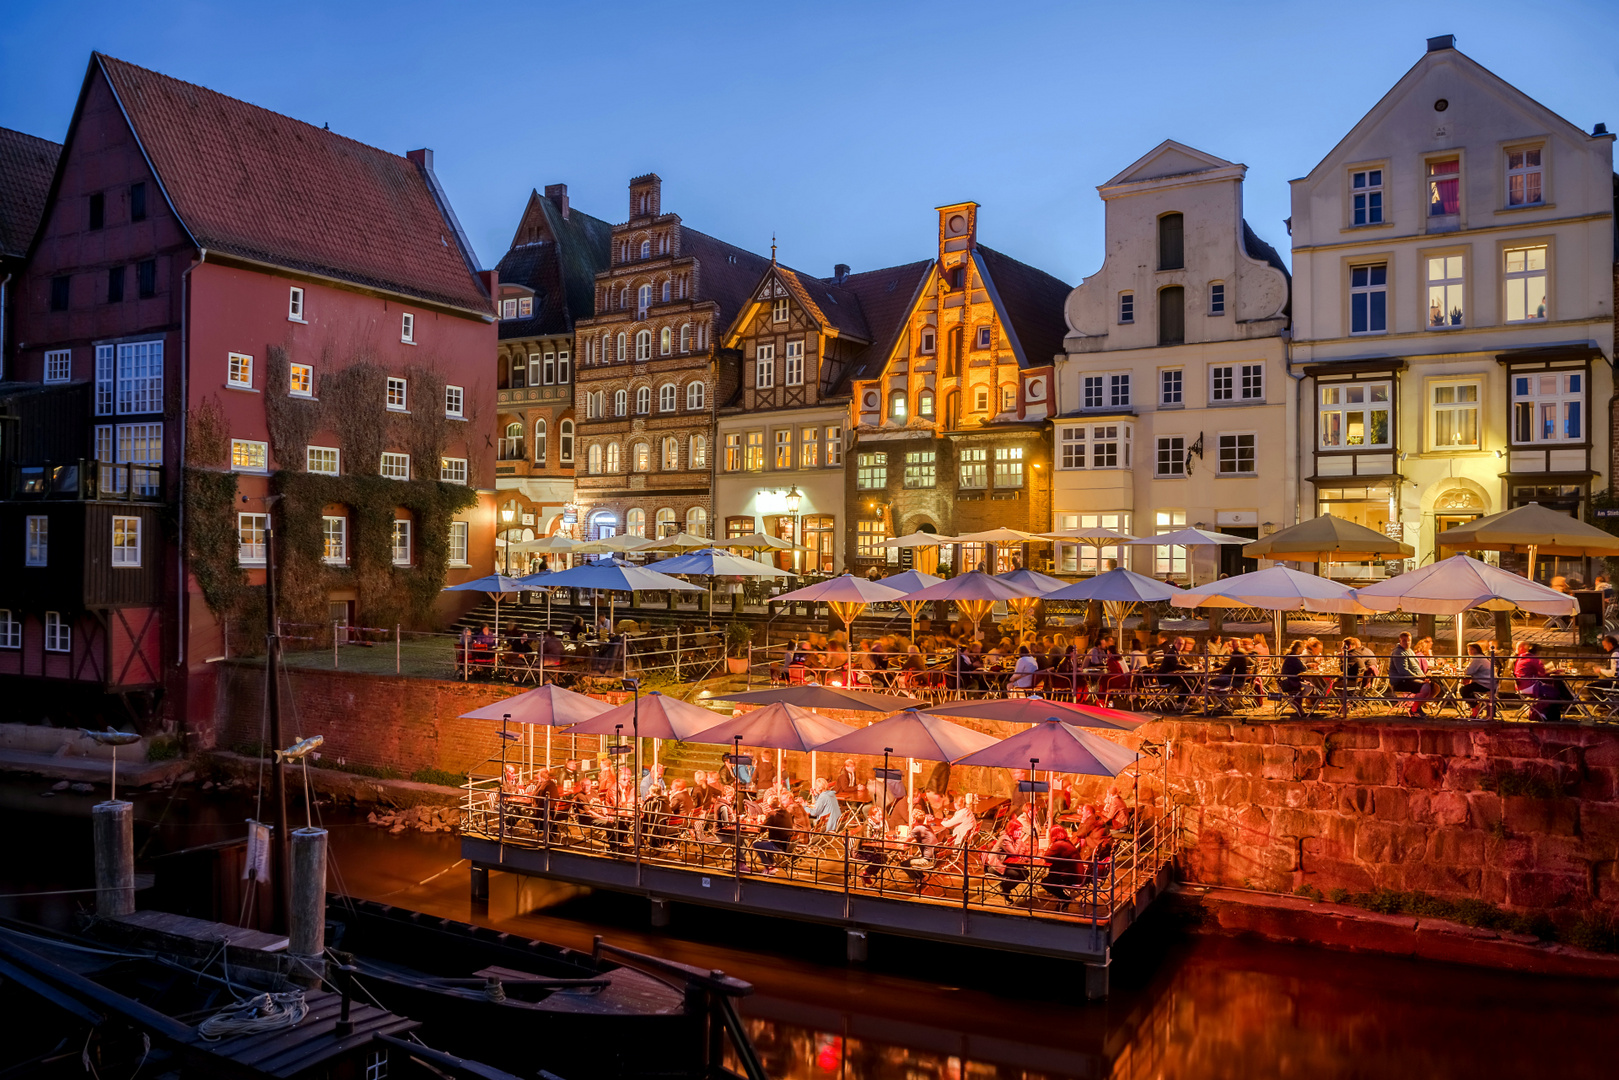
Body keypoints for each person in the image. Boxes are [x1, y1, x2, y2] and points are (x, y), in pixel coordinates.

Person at [1040, 826, 1082, 906]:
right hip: (1076, 874)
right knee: (1050, 877)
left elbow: (1046, 858)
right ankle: (1062, 898)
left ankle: (1064, 898)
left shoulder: (1058, 844)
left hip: (1070, 877)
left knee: (1045, 882)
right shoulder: (1067, 842)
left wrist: (1050, 845)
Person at [1461, 642, 1497, 719]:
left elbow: (1469, 671)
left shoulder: (1477, 658)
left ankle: (1475, 707)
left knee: (1463, 690)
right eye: (1468, 649)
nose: (1470, 651)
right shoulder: (1481, 658)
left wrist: (1462, 671)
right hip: (1490, 683)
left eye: (1472, 649)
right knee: (1467, 689)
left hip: (1484, 684)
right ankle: (1475, 706)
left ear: (1477, 650)